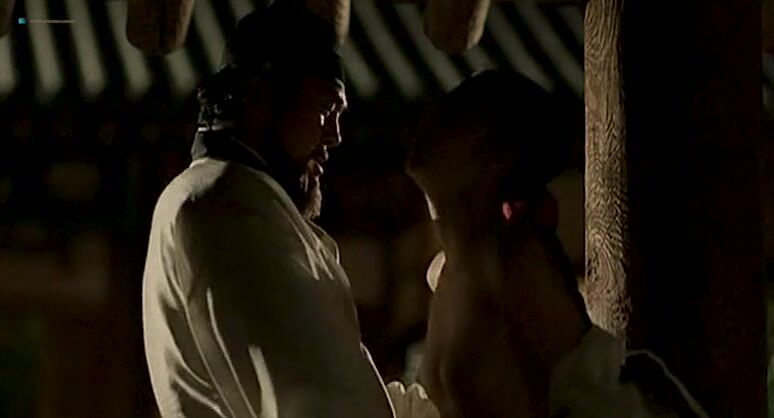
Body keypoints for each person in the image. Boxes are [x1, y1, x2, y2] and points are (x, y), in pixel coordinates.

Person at [142, 2, 437, 417]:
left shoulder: (226, 198)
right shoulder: (227, 204)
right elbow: (318, 404)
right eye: (325, 109)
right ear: (259, 98)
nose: (335, 136)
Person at [405, 70, 709, 418]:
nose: (432, 123)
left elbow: (563, 388)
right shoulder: (450, 268)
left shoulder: (514, 261)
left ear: (496, 156)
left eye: (460, 117)